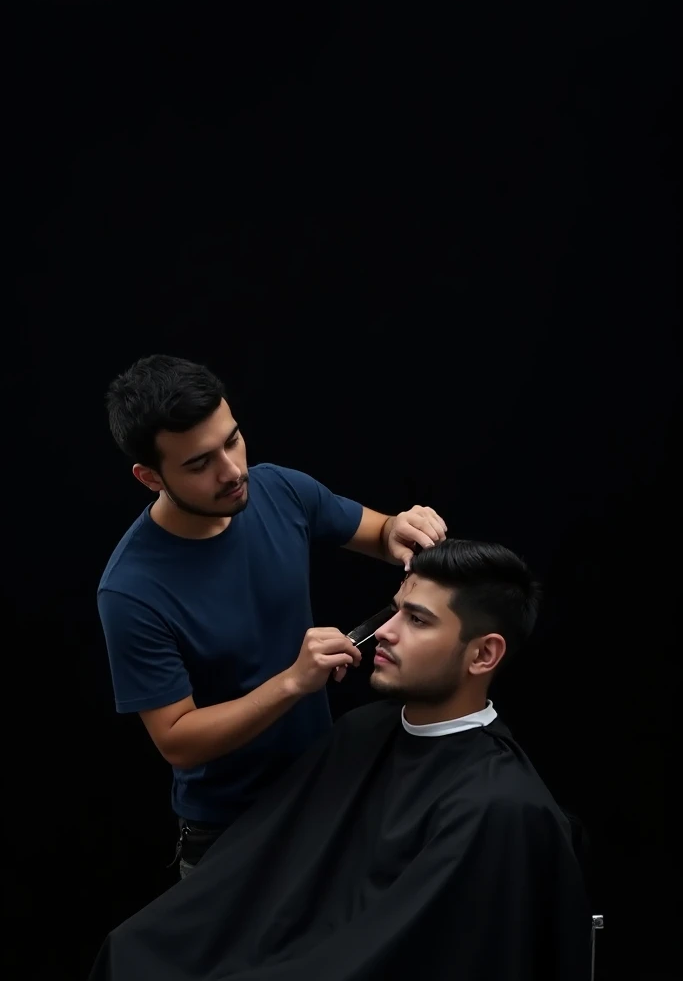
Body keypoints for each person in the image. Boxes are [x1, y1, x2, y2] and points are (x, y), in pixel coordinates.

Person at [90, 539, 591, 981]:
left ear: (483, 655)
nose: (387, 632)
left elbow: (402, 953)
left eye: (417, 620)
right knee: (133, 951)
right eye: (394, 610)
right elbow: (261, 876)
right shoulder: (362, 731)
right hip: (290, 950)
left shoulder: (499, 807)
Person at [98, 354, 447, 875]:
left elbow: (379, 532)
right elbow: (178, 739)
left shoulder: (279, 489)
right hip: (228, 835)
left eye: (232, 440)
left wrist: (401, 526)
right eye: (199, 463)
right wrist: (293, 683)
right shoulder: (130, 589)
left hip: (325, 799)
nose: (233, 471)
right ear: (150, 476)